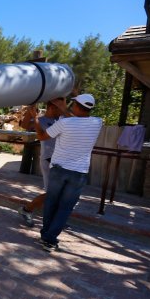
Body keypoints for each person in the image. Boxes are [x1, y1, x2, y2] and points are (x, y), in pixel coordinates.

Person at [29, 94, 102, 252]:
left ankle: (46, 236)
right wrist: (64, 109)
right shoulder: (97, 122)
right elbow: (79, 120)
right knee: (65, 208)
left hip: (59, 170)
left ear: (76, 106)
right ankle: (49, 239)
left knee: (51, 203)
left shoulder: (64, 123)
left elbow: (42, 136)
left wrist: (35, 118)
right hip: (79, 174)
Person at [17, 99, 64, 228]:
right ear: (51, 108)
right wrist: (30, 110)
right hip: (48, 159)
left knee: (59, 192)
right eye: (58, 107)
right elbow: (25, 125)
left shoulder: (60, 120)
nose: (61, 110)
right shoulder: (41, 120)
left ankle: (54, 219)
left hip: (59, 160)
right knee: (51, 193)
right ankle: (27, 209)